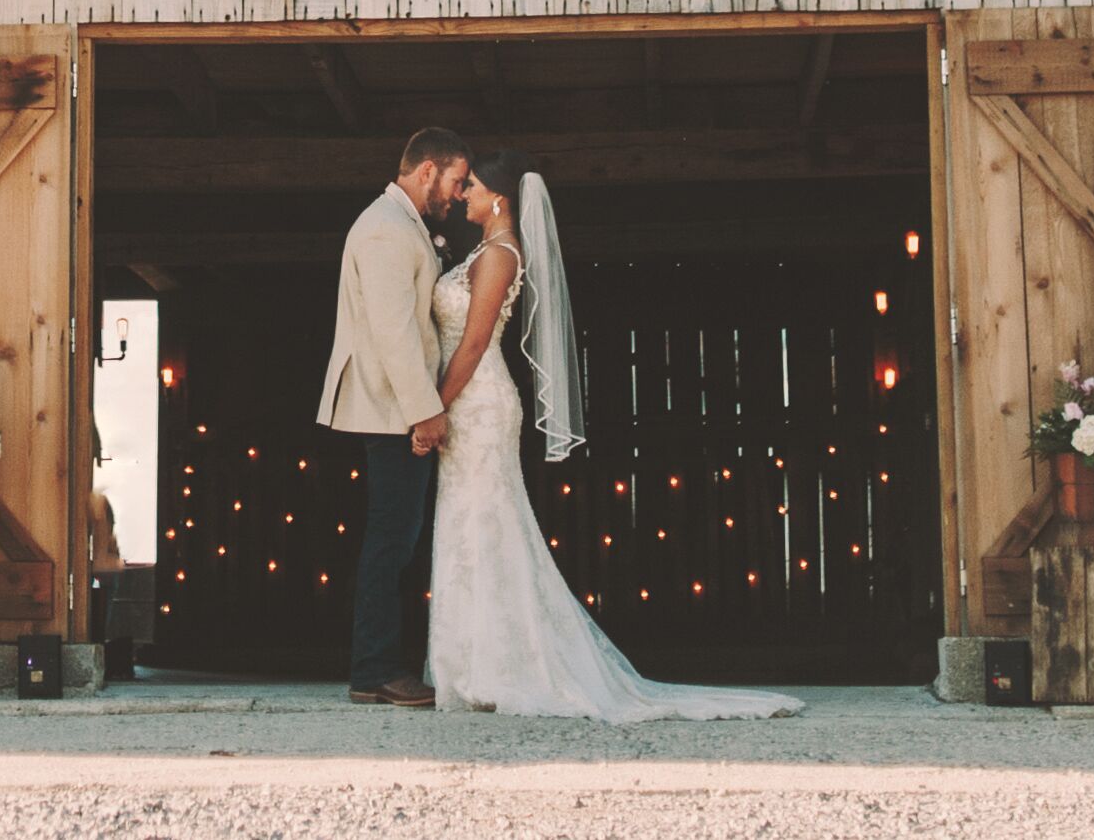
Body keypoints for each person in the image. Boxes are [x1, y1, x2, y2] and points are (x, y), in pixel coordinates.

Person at [421, 148, 800, 722]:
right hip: (465, 399)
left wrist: (434, 408)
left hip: (478, 401)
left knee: (487, 523)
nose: (463, 193)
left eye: (471, 185)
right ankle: (470, 661)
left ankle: (499, 665)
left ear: (499, 198)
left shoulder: (500, 256)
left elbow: (473, 345)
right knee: (468, 522)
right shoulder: (479, 250)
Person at [315, 125, 474, 706]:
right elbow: (393, 332)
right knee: (391, 540)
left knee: (396, 538)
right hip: (390, 407)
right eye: (456, 180)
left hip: (396, 405)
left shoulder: (403, 224)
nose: (459, 194)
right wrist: (424, 413)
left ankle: (379, 664)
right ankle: (374, 669)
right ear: (427, 170)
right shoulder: (384, 230)